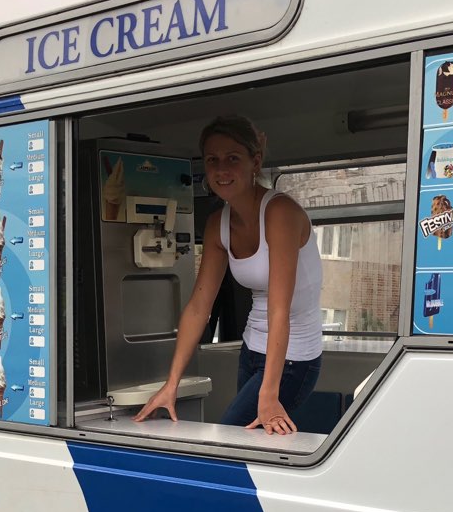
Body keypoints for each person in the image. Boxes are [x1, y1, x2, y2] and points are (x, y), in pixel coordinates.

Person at [134, 116, 322, 435]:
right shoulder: (217, 224)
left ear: (255, 162)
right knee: (253, 446)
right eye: (212, 160)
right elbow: (198, 307)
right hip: (252, 352)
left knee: (228, 439)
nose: (222, 169)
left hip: (293, 359)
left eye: (233, 158)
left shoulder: (280, 213)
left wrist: (269, 393)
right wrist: (171, 385)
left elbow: (280, 310)